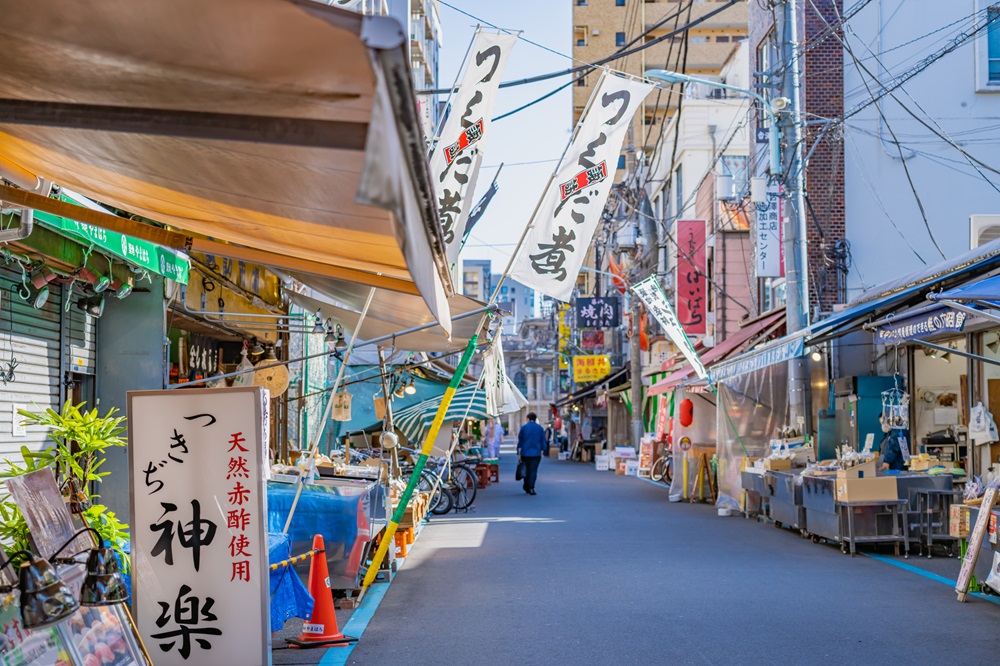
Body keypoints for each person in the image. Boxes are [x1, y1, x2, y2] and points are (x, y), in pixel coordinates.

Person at [517, 412, 546, 495]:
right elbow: (543, 440)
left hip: (525, 453)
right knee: (533, 470)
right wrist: (543, 450)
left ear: (528, 419)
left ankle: (526, 485)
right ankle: (531, 487)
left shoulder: (523, 428)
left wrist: (519, 453)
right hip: (536, 453)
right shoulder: (540, 428)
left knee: (526, 469)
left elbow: (520, 442)